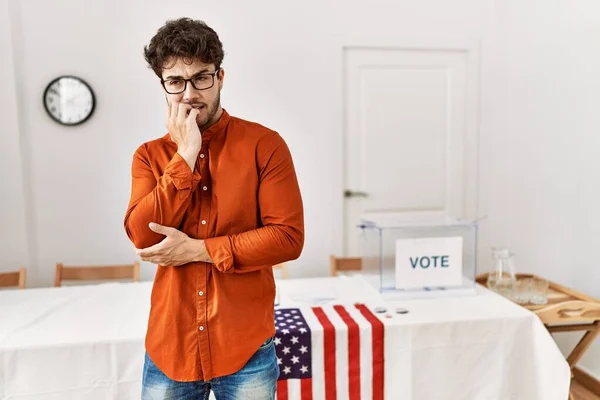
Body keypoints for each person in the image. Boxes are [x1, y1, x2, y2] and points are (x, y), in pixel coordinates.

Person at [124, 17, 304, 400]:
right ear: (163, 85)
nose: (189, 93)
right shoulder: (149, 156)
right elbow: (142, 235)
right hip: (170, 348)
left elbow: (287, 239)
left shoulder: (266, 146)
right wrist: (185, 156)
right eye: (175, 82)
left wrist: (198, 250)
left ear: (220, 76)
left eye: (201, 78)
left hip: (246, 348)